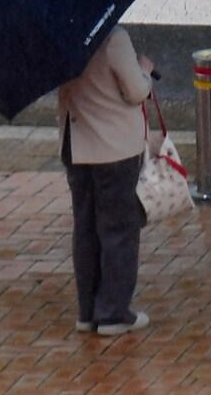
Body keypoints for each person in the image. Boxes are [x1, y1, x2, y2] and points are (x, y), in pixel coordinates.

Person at [57, 24, 155, 336]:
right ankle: (112, 312)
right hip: (114, 148)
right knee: (118, 231)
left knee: (85, 229)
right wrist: (145, 71)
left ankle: (88, 311)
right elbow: (136, 91)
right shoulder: (113, 38)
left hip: (76, 145)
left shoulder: (58, 35)